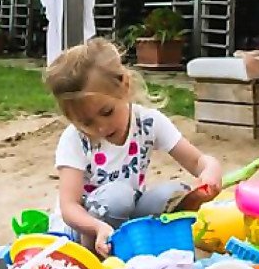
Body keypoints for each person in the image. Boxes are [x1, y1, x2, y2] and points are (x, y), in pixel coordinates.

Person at [46, 38, 222, 256]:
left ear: (124, 85)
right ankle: (96, 258)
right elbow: (69, 207)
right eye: (87, 122)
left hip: (127, 214)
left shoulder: (148, 122)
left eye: (107, 112)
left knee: (173, 193)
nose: (100, 128)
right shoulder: (76, 139)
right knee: (117, 197)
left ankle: (144, 248)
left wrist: (210, 171)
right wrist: (96, 227)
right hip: (85, 228)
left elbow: (197, 161)